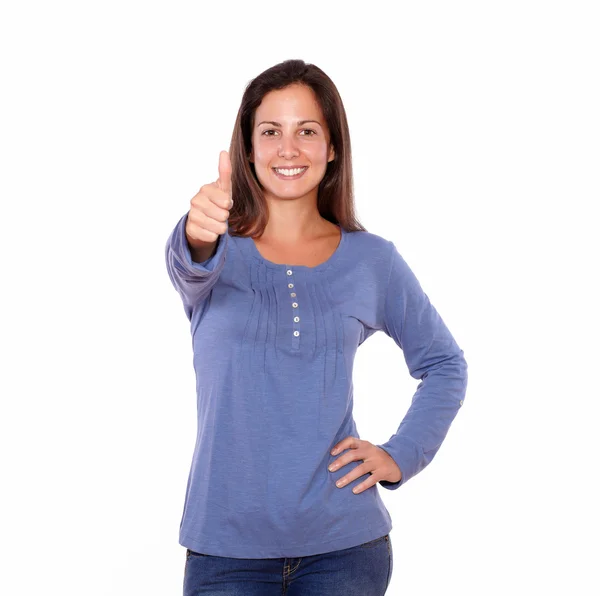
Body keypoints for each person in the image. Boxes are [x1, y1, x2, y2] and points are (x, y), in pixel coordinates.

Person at [165, 58, 468, 596]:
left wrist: (400, 455)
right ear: (248, 147)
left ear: (332, 148)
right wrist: (199, 228)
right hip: (225, 552)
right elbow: (190, 258)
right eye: (270, 132)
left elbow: (445, 364)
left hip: (345, 551)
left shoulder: (373, 261)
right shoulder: (211, 250)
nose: (288, 148)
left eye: (307, 131)